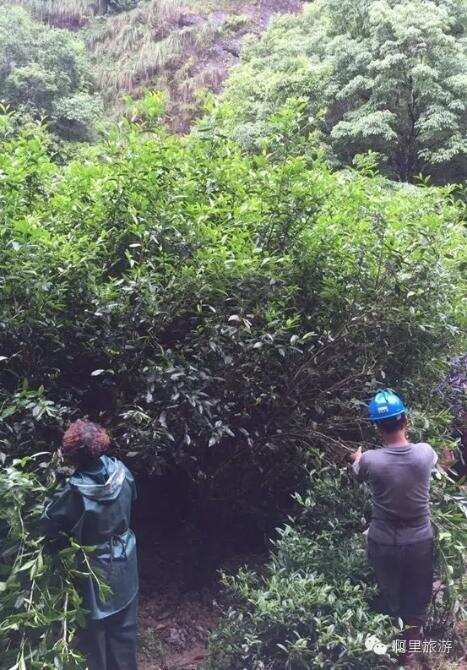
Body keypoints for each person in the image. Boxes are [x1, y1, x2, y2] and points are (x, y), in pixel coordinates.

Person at [41, 419, 139, 670]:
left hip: (93, 567)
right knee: (125, 633)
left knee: (94, 639)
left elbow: (49, 524)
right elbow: (132, 499)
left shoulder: (75, 490)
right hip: (125, 559)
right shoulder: (122, 471)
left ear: (73, 454)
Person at [351, 390, 438, 664]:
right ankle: (409, 651)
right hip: (419, 541)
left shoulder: (370, 460)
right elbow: (425, 461)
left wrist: (356, 457)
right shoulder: (425, 453)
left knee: (389, 595)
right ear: (406, 421)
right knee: (417, 596)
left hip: (384, 541)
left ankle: (390, 650)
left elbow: (355, 471)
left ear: (377, 427)